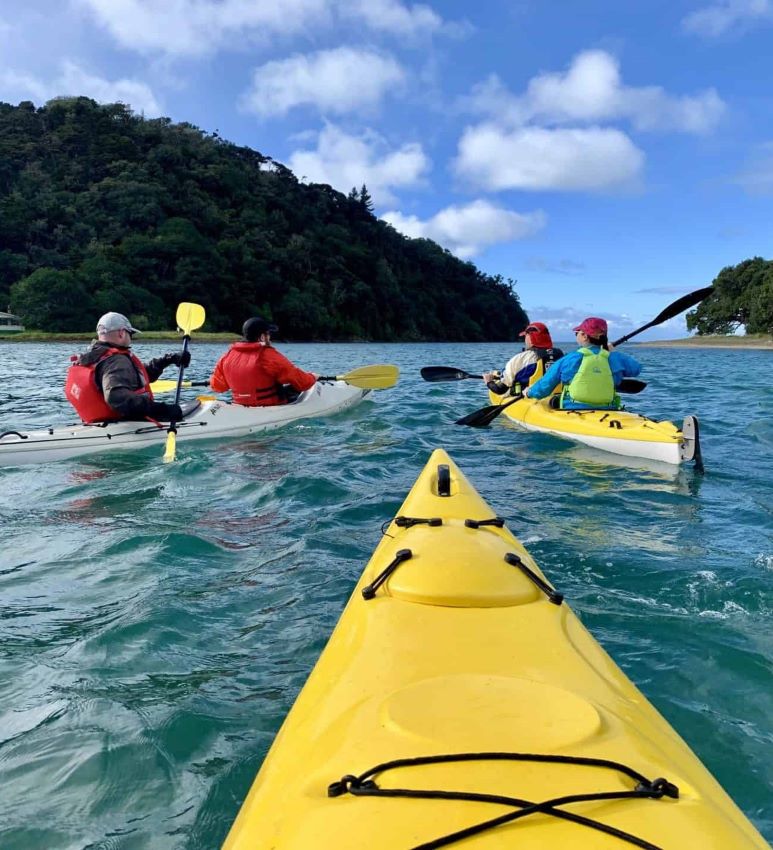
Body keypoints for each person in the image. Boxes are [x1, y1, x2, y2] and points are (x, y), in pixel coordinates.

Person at [65, 312, 190, 423]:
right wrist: (161, 410)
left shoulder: (95, 356)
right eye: (130, 333)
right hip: (123, 422)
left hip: (100, 422)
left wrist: (168, 359)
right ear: (121, 333)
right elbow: (116, 397)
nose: (131, 338)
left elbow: (135, 376)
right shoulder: (116, 360)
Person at [523, 317, 641, 410]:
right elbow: (636, 369)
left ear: (584, 336)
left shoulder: (570, 359)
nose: (576, 335)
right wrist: (611, 353)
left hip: (572, 408)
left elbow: (545, 386)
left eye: (577, 333)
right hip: (608, 408)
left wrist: (529, 392)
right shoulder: (614, 358)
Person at [209, 317, 317, 406]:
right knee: (302, 387)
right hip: (270, 405)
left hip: (240, 405)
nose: (269, 338)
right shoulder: (268, 355)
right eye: (268, 334)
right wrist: (312, 377)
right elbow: (303, 382)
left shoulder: (226, 356)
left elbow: (217, 387)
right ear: (262, 337)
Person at [482, 322, 564, 395]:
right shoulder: (561, 354)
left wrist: (489, 382)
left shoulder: (520, 359)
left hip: (531, 398)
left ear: (530, 337)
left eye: (525, 336)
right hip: (557, 397)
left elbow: (500, 389)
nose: (524, 339)